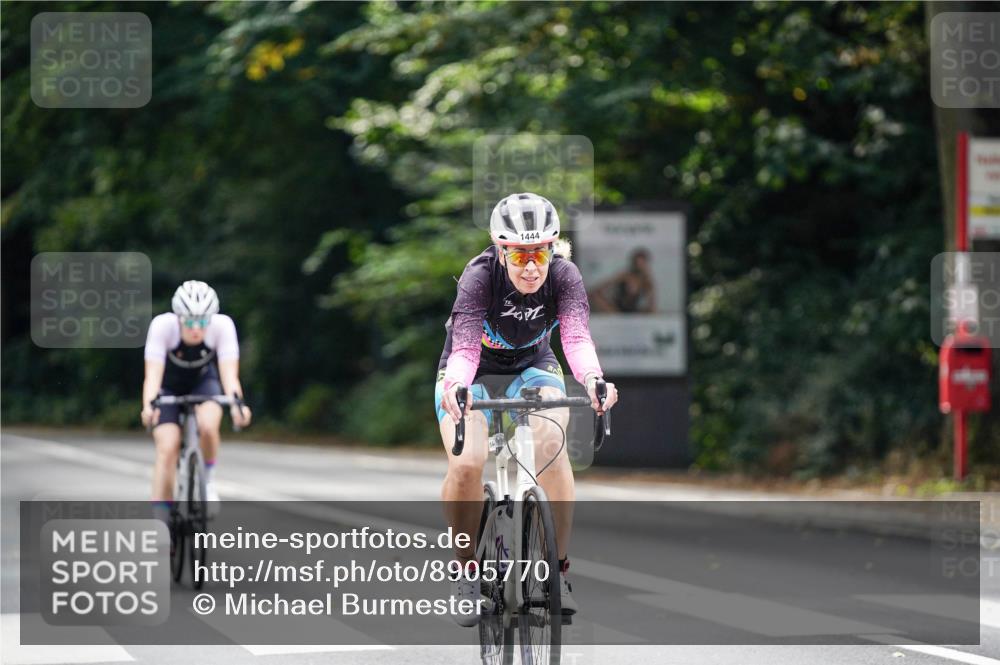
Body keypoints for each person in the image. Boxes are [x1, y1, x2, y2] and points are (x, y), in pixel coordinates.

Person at [436, 192, 619, 626]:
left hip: (534, 366)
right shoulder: (479, 277)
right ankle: (465, 570)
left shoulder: (565, 276)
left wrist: (594, 379)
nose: (532, 265)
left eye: (540, 252)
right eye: (520, 255)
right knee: (468, 462)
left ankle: (557, 571)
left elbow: (575, 338)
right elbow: (463, 347)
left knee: (552, 446)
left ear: (553, 248)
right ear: (501, 251)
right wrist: (456, 385)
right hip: (471, 373)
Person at [141, 280, 251, 520]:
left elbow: (230, 376)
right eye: (189, 321)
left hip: (203, 382)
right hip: (168, 387)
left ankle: (208, 482)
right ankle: (161, 518)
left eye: (202, 321)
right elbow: (152, 377)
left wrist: (237, 406)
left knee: (209, 426)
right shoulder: (162, 326)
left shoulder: (223, 326)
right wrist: (149, 405)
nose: (196, 328)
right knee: (167, 447)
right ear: (178, 317)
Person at [589, 248, 657, 314]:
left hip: (633, 311)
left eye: (642, 264)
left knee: (652, 311)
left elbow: (651, 304)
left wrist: (648, 279)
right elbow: (602, 286)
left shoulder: (646, 281)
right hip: (616, 309)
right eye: (637, 264)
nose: (639, 266)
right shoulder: (625, 276)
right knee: (595, 296)